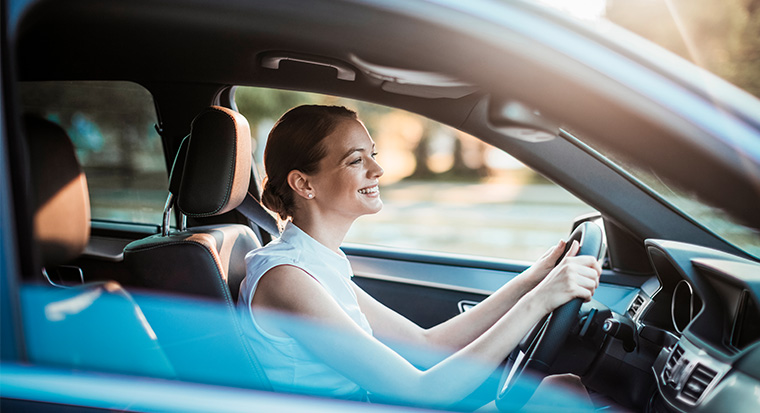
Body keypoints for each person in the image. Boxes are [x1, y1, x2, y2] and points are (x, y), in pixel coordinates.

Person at [237, 105, 602, 408]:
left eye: (373, 155)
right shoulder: (287, 277)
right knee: (564, 397)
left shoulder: (315, 263)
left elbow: (426, 345)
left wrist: (530, 281)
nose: (377, 170)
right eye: (355, 161)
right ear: (304, 184)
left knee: (563, 389)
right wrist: (539, 301)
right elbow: (419, 389)